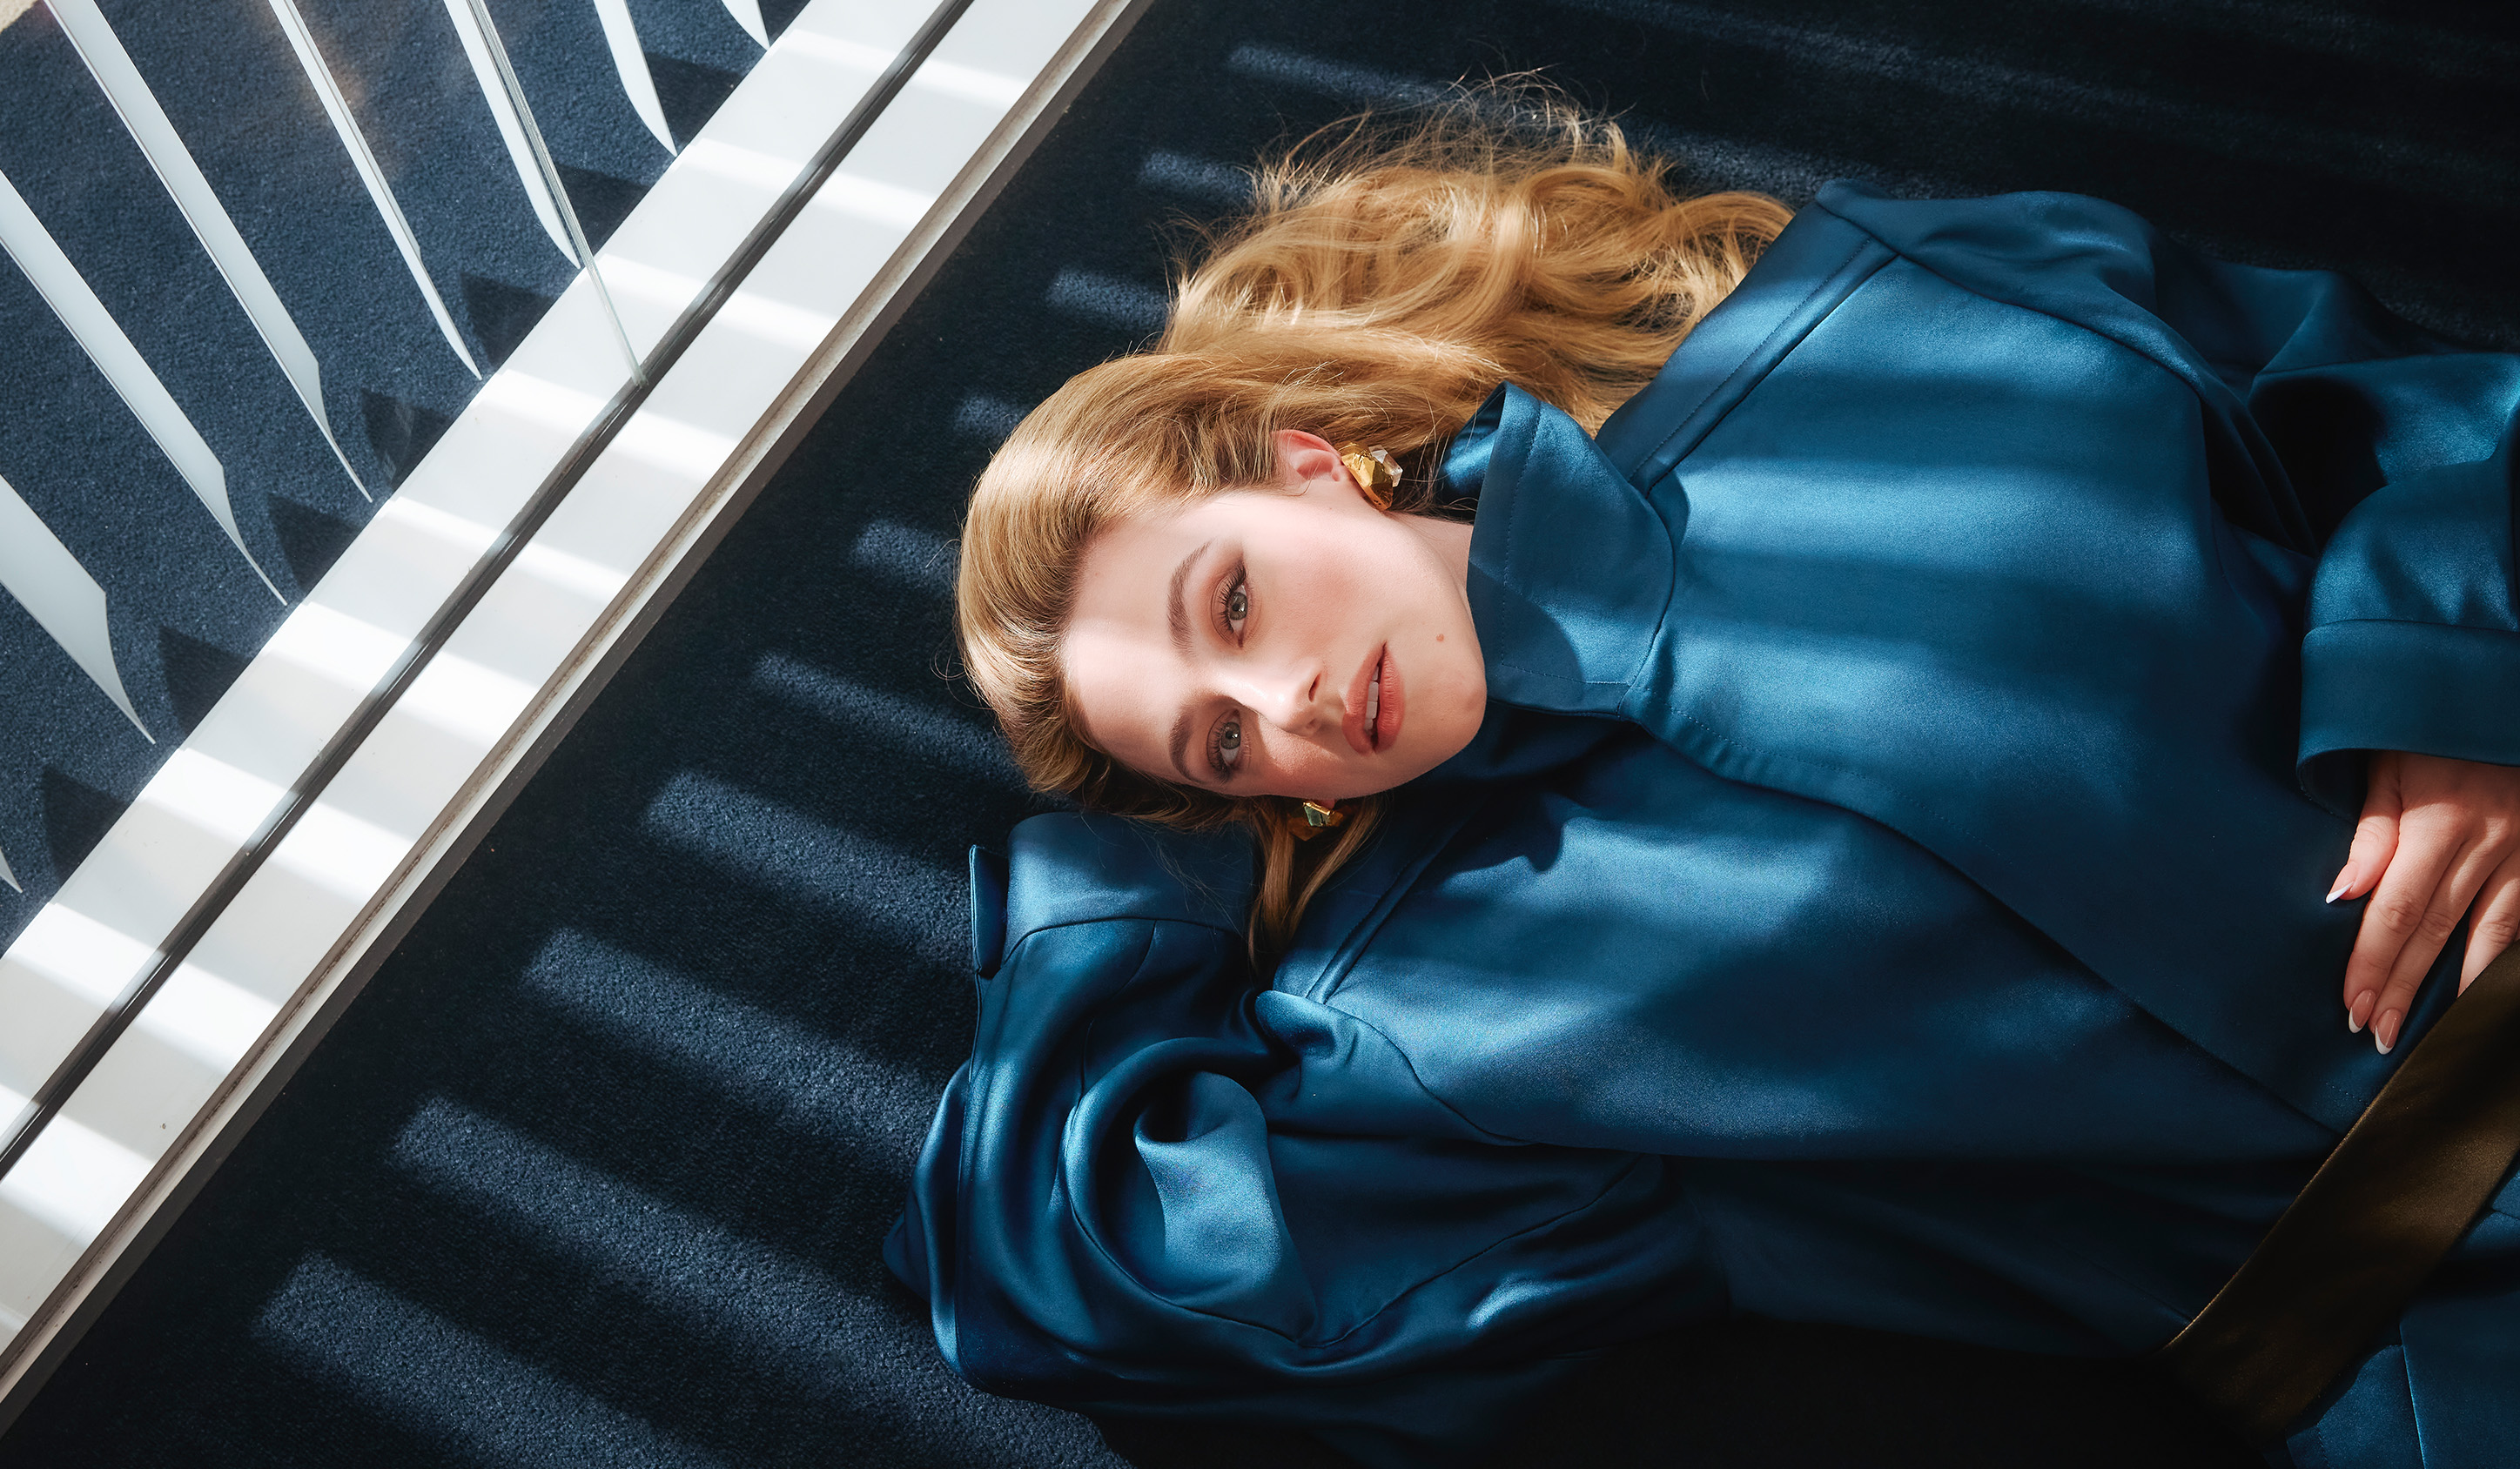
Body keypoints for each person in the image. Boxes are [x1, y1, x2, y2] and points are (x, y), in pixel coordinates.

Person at [887, 97, 2520, 1469]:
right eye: (1220, 745)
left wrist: (2454, 665)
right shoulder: (1424, 1020)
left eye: (1234, 603)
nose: (1284, 699)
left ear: (1312, 461)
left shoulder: (1888, 327)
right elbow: (1081, 1288)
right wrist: (1115, 894)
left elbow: (2402, 406)